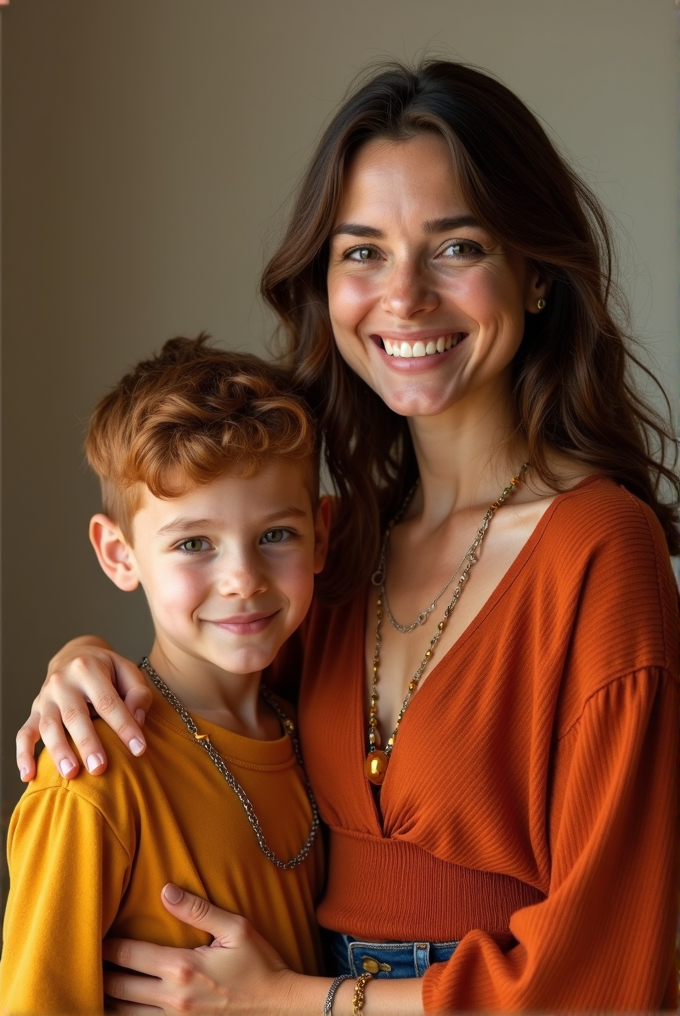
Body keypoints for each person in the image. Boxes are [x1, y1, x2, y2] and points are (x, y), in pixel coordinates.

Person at [15, 61, 679, 1013]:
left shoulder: (603, 554)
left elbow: (607, 975)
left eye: (455, 247)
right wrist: (81, 659)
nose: (403, 298)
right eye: (361, 252)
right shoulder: (322, 549)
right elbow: (211, 707)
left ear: (535, 276)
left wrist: (298, 1002)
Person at [1, 336, 330, 1013]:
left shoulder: (313, 729)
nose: (243, 580)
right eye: (193, 544)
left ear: (321, 534)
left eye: (276, 535)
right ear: (120, 555)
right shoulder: (92, 778)